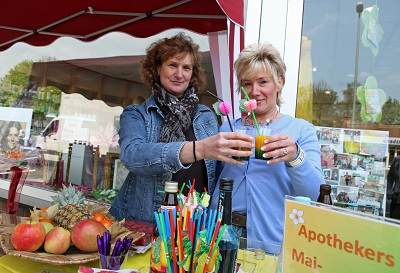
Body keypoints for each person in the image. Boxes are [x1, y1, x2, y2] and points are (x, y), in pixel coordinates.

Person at [109, 33, 253, 222]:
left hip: (196, 223)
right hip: (148, 222)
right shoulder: (137, 114)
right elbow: (133, 155)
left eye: (186, 68)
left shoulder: (206, 116)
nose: (179, 74)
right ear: (157, 68)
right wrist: (198, 149)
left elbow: (219, 171)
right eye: (172, 65)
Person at [210, 43, 324, 246]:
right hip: (219, 233)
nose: (254, 91)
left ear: (279, 82)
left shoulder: (300, 130)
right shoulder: (227, 128)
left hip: (270, 239)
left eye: (263, 82)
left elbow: (315, 194)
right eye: (246, 84)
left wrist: (296, 156)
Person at [387, 154, 400, 219]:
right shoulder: (397, 159)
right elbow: (390, 177)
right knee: (393, 219)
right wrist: (389, 191)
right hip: (396, 197)